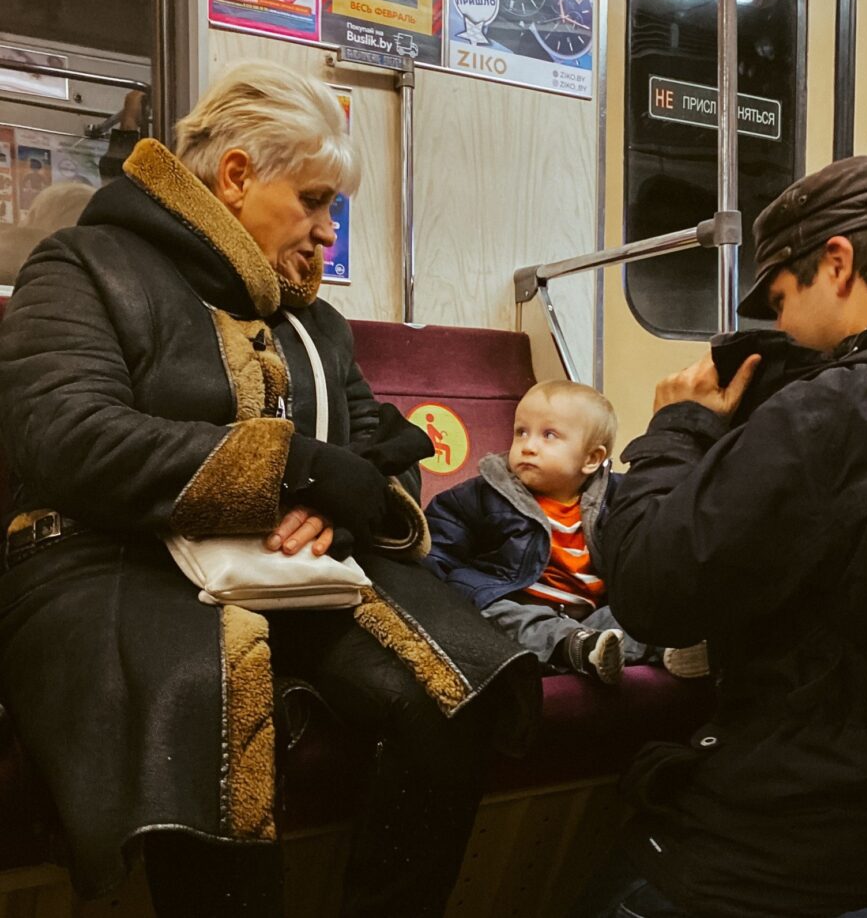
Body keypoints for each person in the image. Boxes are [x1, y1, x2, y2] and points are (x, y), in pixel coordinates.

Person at [0, 60, 538, 918]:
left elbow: (377, 456)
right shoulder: (83, 266)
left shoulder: (313, 323)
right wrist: (296, 469)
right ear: (239, 175)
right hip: (109, 563)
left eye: (335, 210)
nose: (329, 233)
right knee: (208, 707)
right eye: (316, 201)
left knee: (456, 688)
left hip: (289, 571)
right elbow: (68, 437)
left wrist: (335, 500)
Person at [571, 154, 867, 918]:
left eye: (779, 297)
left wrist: (677, 431)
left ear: (836, 264)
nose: (777, 327)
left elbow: (650, 586)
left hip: (794, 841)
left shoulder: (833, 408)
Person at [424, 380, 707, 685]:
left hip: (589, 614)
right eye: (521, 431)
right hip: (518, 604)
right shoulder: (484, 494)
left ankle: (663, 647)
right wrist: (432, 600)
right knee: (492, 613)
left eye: (549, 435)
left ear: (591, 459)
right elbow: (439, 544)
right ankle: (575, 648)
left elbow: (649, 541)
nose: (528, 446)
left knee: (632, 612)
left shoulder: (617, 499)